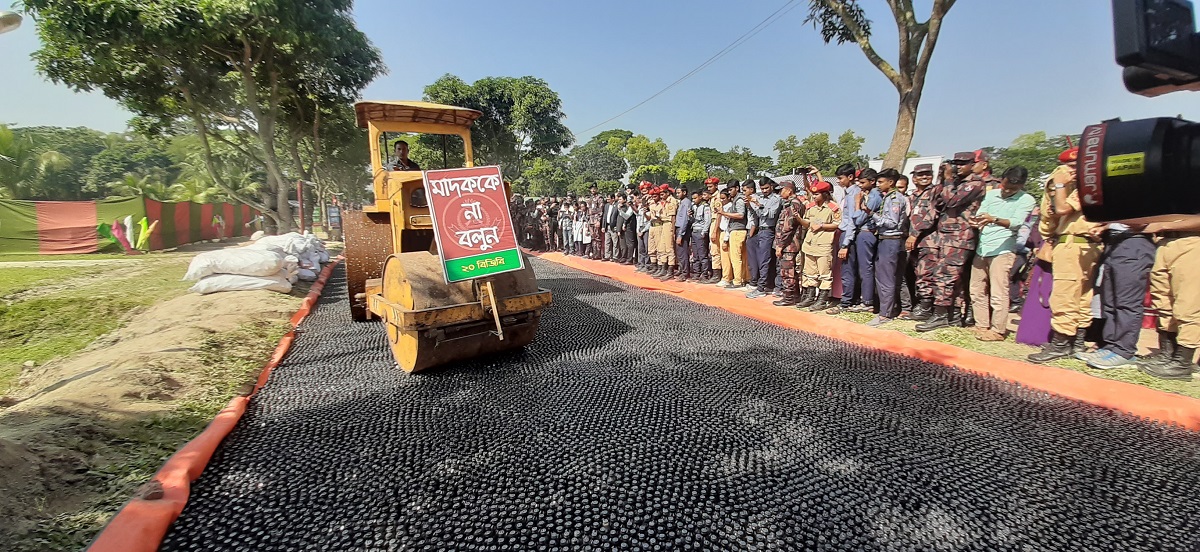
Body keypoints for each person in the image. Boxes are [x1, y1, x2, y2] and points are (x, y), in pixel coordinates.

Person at [1028, 149, 1103, 362]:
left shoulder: (1087, 186)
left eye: (1073, 167)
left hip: (1075, 244)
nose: (1067, 172)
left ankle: (1061, 343)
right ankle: (1076, 341)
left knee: (1065, 295)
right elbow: (1048, 215)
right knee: (1081, 296)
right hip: (1079, 244)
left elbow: (1061, 209)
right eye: (1065, 167)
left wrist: (1060, 185)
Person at [916, 152, 985, 332]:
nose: (958, 167)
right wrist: (943, 179)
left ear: (972, 164)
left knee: (945, 276)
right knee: (947, 276)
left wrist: (948, 179)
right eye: (956, 164)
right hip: (945, 236)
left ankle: (941, 315)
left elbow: (953, 201)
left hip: (959, 237)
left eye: (963, 164)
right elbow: (938, 203)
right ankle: (951, 316)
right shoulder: (953, 183)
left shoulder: (975, 183)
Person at [967, 166, 1037, 341]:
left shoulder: (1026, 200)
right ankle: (981, 324)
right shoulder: (991, 194)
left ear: (1021, 185)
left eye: (1012, 189)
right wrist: (977, 221)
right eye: (1005, 186)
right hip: (983, 247)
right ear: (1002, 180)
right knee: (976, 288)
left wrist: (994, 219)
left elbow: (1016, 222)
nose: (1007, 191)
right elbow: (981, 213)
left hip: (1003, 249)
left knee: (999, 291)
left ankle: (998, 330)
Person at [1075, 221, 1156, 368]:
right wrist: (1105, 227)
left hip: (1134, 241)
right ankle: (1110, 346)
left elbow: (1140, 221)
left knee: (1127, 302)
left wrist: (1113, 221)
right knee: (1109, 302)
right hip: (1113, 243)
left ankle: (1124, 351)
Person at [1139, 216, 1200, 379]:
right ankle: (1168, 355)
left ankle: (1183, 363)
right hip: (1165, 242)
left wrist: (1163, 225)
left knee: (1188, 305)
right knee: (1163, 302)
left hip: (1192, 241)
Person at [830, 167, 881, 314]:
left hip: (852, 234)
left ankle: (848, 302)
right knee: (854, 270)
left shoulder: (855, 194)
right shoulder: (851, 192)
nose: (838, 181)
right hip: (852, 233)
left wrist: (846, 244)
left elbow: (855, 220)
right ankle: (855, 300)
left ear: (850, 177)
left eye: (841, 178)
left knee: (850, 270)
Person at [868, 168, 909, 327]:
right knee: (883, 276)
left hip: (891, 240)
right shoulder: (888, 197)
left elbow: (892, 222)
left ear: (890, 182)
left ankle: (885, 314)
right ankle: (887, 309)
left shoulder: (895, 199)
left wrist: (871, 214)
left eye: (881, 181)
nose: (878, 184)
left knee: (887, 278)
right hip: (886, 239)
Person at [799, 180, 840, 311]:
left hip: (824, 244)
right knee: (809, 272)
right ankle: (810, 297)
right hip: (810, 243)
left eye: (817, 194)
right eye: (813, 194)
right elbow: (807, 223)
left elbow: (838, 223)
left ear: (825, 194)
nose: (814, 196)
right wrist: (799, 219)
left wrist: (822, 225)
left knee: (824, 273)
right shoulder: (811, 207)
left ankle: (822, 300)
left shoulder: (833, 207)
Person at [905, 164, 939, 320]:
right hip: (913, 244)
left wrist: (914, 235)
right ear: (914, 178)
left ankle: (926, 307)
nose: (924, 177)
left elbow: (930, 217)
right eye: (920, 174)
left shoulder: (935, 192)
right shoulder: (912, 196)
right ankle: (919, 304)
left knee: (926, 274)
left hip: (928, 241)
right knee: (916, 274)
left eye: (928, 174)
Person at [746, 177, 782, 298]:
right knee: (759, 259)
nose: (764, 191)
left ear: (771, 186)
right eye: (762, 189)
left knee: (764, 260)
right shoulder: (760, 197)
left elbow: (771, 214)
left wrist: (758, 204)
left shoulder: (776, 199)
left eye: (766, 188)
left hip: (768, 230)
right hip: (760, 230)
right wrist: (750, 205)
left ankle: (761, 287)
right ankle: (765, 284)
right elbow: (757, 214)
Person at [772, 181, 806, 306]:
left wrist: (780, 245)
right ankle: (794, 295)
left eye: (781, 190)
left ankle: (789, 297)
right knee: (789, 271)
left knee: (787, 272)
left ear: (789, 190)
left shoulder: (793, 204)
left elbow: (788, 227)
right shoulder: (790, 203)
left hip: (789, 244)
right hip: (788, 243)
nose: (779, 193)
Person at [717, 183, 751, 289]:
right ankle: (743, 279)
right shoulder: (736, 199)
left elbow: (741, 215)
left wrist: (724, 213)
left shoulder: (739, 200)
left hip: (737, 230)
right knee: (741, 257)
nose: (729, 192)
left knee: (736, 258)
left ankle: (737, 281)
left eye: (731, 189)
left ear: (737, 188)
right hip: (738, 230)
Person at [669, 186, 694, 281]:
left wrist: (680, 235)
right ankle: (681, 269)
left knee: (683, 252)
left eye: (679, 192)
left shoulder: (686, 203)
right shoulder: (681, 202)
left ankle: (685, 273)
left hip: (682, 229)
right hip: (678, 228)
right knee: (679, 252)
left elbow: (684, 220)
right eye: (677, 193)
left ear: (684, 192)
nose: (677, 194)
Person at [688, 190, 712, 282]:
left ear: (700, 197)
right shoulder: (694, 206)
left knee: (702, 255)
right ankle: (696, 272)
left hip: (700, 231)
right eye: (692, 198)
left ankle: (705, 274)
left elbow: (707, 220)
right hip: (694, 231)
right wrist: (690, 216)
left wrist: (704, 232)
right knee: (695, 255)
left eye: (695, 198)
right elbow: (693, 220)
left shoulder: (705, 207)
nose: (693, 200)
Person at [704, 177, 724, 284]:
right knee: (713, 249)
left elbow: (719, 215)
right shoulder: (712, 198)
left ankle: (717, 274)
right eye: (708, 187)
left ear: (716, 186)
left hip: (716, 223)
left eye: (711, 186)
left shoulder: (718, 198)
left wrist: (715, 231)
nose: (709, 189)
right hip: (713, 222)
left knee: (715, 250)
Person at [604, 194, 622, 261]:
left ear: (613, 198)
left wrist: (617, 226)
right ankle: (607, 255)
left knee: (615, 242)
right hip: (607, 226)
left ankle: (615, 256)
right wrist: (603, 226)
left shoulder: (617, 205)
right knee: (607, 242)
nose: (607, 200)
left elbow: (618, 217)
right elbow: (605, 216)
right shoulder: (606, 205)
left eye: (609, 198)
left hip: (613, 226)